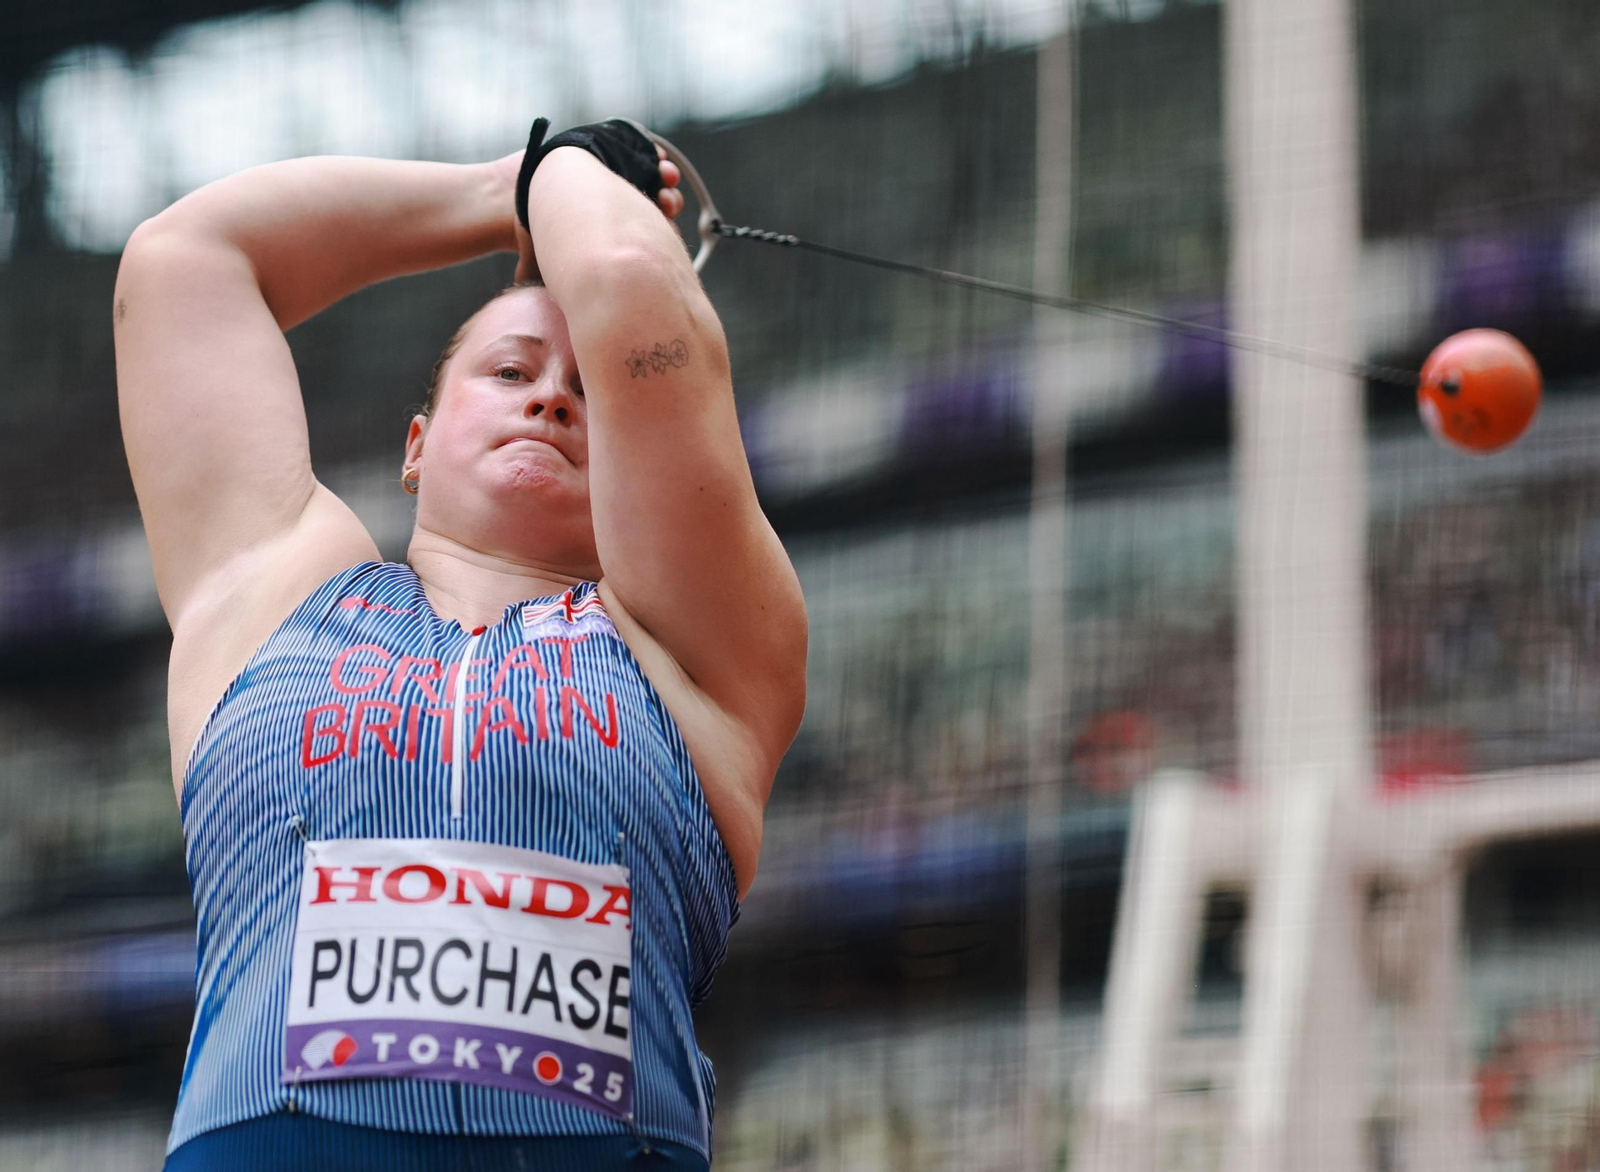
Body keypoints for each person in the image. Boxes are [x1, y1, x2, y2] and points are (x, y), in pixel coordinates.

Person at [113, 118, 807, 1171]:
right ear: (417, 444)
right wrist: (504, 190)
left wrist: (563, 177)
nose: (552, 396)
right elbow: (183, 261)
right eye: (510, 369)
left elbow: (627, 281)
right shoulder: (275, 591)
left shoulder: (699, 642)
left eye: (591, 388)